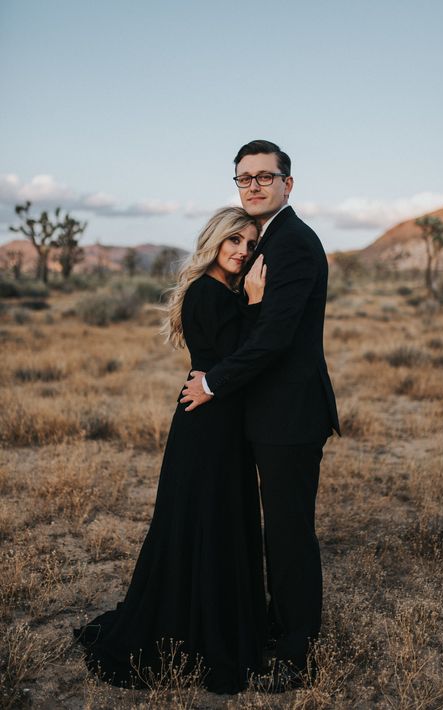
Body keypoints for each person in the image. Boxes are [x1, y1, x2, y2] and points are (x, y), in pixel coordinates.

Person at [74, 206, 268, 695]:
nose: (242, 251)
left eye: (249, 244)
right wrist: (256, 303)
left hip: (218, 417)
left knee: (215, 515)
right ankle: (197, 630)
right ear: (215, 241)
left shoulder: (223, 290)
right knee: (203, 516)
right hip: (207, 421)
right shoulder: (208, 290)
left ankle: (213, 617)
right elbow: (233, 358)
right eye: (234, 242)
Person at [181, 140, 340, 691]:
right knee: (275, 529)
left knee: (290, 533)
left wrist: (213, 381)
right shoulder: (266, 242)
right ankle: (278, 627)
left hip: (289, 417)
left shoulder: (293, 244)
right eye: (243, 178)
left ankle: (297, 654)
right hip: (263, 414)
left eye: (264, 177)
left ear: (287, 184)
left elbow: (273, 338)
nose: (253, 185)